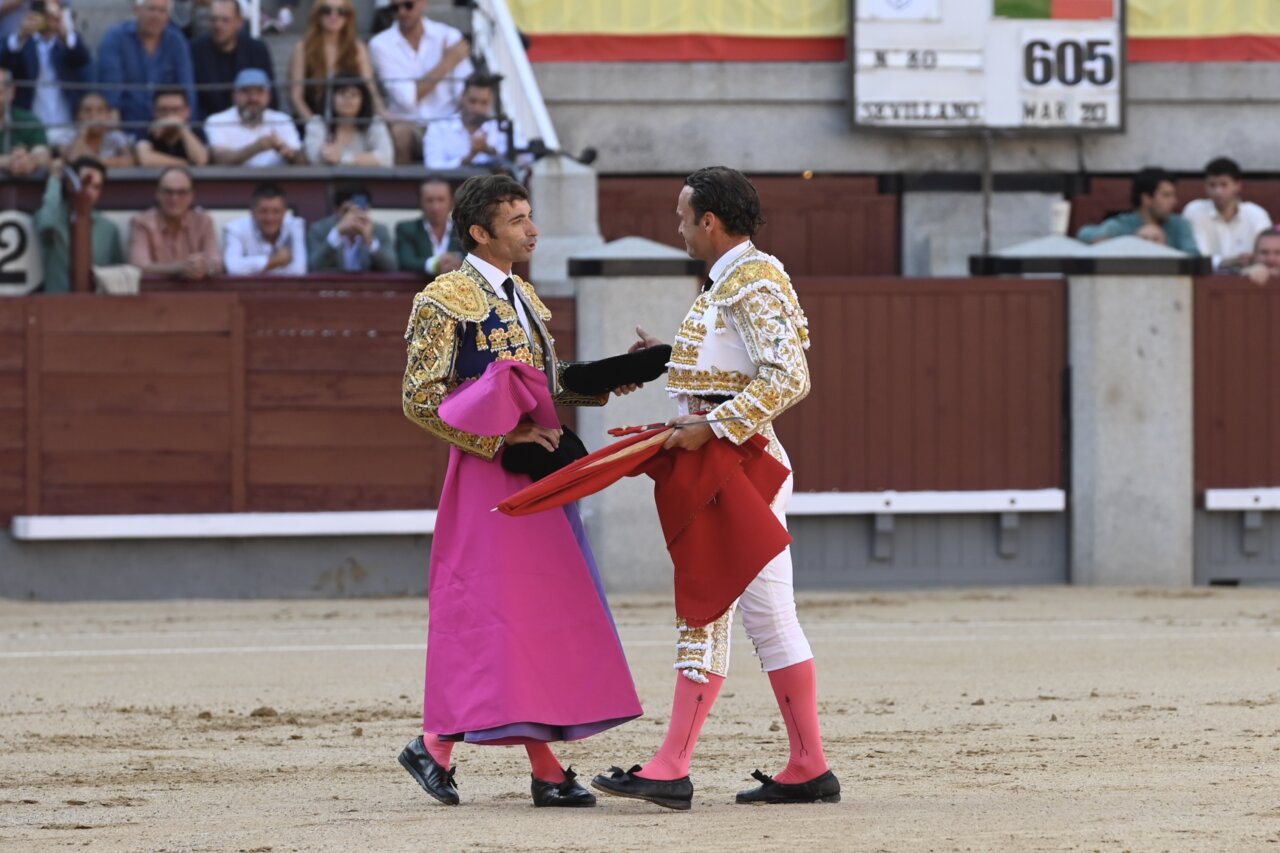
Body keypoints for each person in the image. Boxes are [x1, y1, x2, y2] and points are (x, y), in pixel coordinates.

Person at [591, 167, 839, 810]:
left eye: (683, 217)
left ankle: (673, 765)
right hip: (729, 458)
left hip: (737, 462)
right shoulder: (733, 279)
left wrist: (712, 427)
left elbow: (789, 377)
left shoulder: (751, 278)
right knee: (764, 614)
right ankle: (809, 765)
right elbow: (734, 363)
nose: (678, 228)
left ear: (710, 220)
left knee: (708, 605)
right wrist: (668, 359)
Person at [397, 173, 643, 808]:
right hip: (485, 474)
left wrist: (637, 367)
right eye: (517, 221)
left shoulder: (525, 297)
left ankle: (496, 758)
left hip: (534, 472)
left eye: (530, 217)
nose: (532, 230)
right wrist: (498, 443)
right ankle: (493, 756)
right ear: (481, 232)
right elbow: (420, 401)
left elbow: (551, 384)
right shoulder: (443, 298)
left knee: (529, 614)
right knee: (495, 614)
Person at [369, 0, 472, 163]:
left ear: (423, 3)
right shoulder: (380, 44)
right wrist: (447, 63)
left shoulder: (449, 36)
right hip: (409, 124)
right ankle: (403, 188)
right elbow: (407, 99)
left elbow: (464, 91)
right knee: (400, 133)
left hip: (447, 122)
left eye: (408, 5)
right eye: (395, 8)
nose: (402, 12)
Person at [95, 0, 197, 133]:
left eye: (162, 11)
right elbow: (112, 92)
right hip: (127, 127)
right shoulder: (115, 38)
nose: (156, 16)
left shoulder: (177, 41)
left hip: (168, 128)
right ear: (136, 10)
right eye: (151, 9)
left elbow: (187, 89)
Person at [0, 0, 90, 149]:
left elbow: (82, 58)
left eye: (53, 15)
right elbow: (5, 60)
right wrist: (22, 34)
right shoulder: (23, 43)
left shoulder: (66, 43)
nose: (49, 19)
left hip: (65, 125)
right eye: (44, 14)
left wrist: (64, 32)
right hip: (32, 125)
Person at [33, 155, 124, 293]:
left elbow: (117, 276)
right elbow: (46, 223)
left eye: (96, 187)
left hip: (97, 308)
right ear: (70, 183)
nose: (89, 192)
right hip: (57, 307)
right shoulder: (54, 217)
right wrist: (55, 180)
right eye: (84, 184)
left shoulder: (109, 229)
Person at [286, 0, 382, 123]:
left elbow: (370, 89)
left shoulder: (357, 48)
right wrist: (314, 125)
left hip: (349, 124)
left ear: (348, 16)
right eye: (327, 11)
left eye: (341, 12)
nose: (333, 16)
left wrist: (383, 114)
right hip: (311, 120)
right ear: (317, 15)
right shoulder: (303, 48)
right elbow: (296, 97)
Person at [128, 165, 221, 281]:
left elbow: (217, 262)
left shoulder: (203, 221)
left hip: (197, 293)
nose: (174, 199)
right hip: (155, 295)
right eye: (168, 192)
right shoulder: (141, 222)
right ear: (157, 193)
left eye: (181, 192)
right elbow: (138, 266)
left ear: (191, 195)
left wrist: (205, 267)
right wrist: (179, 268)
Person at [1077, 167, 1199, 254]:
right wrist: (1131, 242)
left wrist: (1165, 248)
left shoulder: (1179, 224)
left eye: (1173, 195)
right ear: (1146, 199)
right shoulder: (1124, 224)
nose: (1173, 201)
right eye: (1166, 195)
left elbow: (1195, 258)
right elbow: (1084, 234)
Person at [1182, 157, 1273, 272]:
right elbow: (1194, 256)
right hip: (1205, 280)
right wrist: (1229, 262)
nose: (1218, 191)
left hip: (1248, 278)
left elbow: (1267, 252)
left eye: (1224, 185)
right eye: (1212, 185)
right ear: (1205, 186)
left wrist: (1252, 260)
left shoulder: (1256, 214)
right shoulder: (1195, 211)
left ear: (1237, 185)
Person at [188, 0, 275, 119]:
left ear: (239, 22)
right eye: (214, 19)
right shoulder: (195, 50)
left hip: (252, 121)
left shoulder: (257, 50)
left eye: (225, 20)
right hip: (206, 124)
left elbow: (270, 95)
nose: (218, 25)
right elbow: (190, 98)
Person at [423, 71, 526, 171]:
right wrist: (469, 157)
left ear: (491, 102)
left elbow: (525, 158)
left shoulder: (501, 127)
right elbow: (433, 166)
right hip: (455, 184)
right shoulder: (439, 127)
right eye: (472, 101)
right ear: (462, 97)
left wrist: (489, 150)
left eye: (483, 103)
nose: (477, 108)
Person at [206, 68, 303, 166]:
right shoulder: (217, 121)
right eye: (246, 92)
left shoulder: (283, 120)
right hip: (235, 180)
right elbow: (219, 159)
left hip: (277, 180)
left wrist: (290, 153)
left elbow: (302, 160)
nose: (253, 98)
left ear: (269, 96)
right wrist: (256, 148)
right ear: (234, 95)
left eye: (260, 92)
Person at [222, 181, 307, 276]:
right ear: (253, 212)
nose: (270, 218)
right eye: (264, 211)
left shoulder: (295, 225)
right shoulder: (235, 229)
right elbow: (233, 267)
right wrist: (276, 261)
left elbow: (299, 270)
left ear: (284, 213)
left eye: (276, 211)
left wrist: (252, 269)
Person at [302, 77, 391, 166]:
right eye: (342, 93)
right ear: (331, 98)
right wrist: (325, 154)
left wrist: (343, 158)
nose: (348, 98)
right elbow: (313, 157)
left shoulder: (374, 123)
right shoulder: (318, 122)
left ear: (363, 100)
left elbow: (386, 159)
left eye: (354, 94)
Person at [306, 183, 395, 272]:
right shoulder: (319, 229)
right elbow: (314, 266)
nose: (353, 216)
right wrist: (337, 233)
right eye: (347, 211)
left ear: (368, 208)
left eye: (360, 210)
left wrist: (370, 242)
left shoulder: (379, 230)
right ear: (336, 210)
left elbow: (392, 267)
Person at [395, 176, 462, 278]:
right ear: (420, 203)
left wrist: (459, 263)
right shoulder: (406, 229)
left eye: (441, 200)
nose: (436, 207)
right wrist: (435, 265)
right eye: (429, 200)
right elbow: (406, 261)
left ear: (451, 203)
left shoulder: (463, 230)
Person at [133, 86, 208, 166]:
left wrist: (182, 128)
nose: (170, 115)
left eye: (176, 110)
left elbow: (201, 161)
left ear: (187, 111)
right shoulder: (146, 129)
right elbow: (146, 159)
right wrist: (188, 164)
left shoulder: (195, 130)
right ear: (154, 111)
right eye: (163, 110)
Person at [61, 91, 135, 168]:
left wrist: (96, 160)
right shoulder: (68, 137)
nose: (93, 116)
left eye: (100, 111)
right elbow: (72, 159)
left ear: (108, 116)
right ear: (78, 116)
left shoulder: (116, 136)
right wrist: (82, 135)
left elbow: (130, 161)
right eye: (87, 110)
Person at [0, 65, 49, 174]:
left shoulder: (27, 120)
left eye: (0, 92)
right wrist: (7, 162)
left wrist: (30, 160)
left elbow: (43, 153)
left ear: (11, 92)